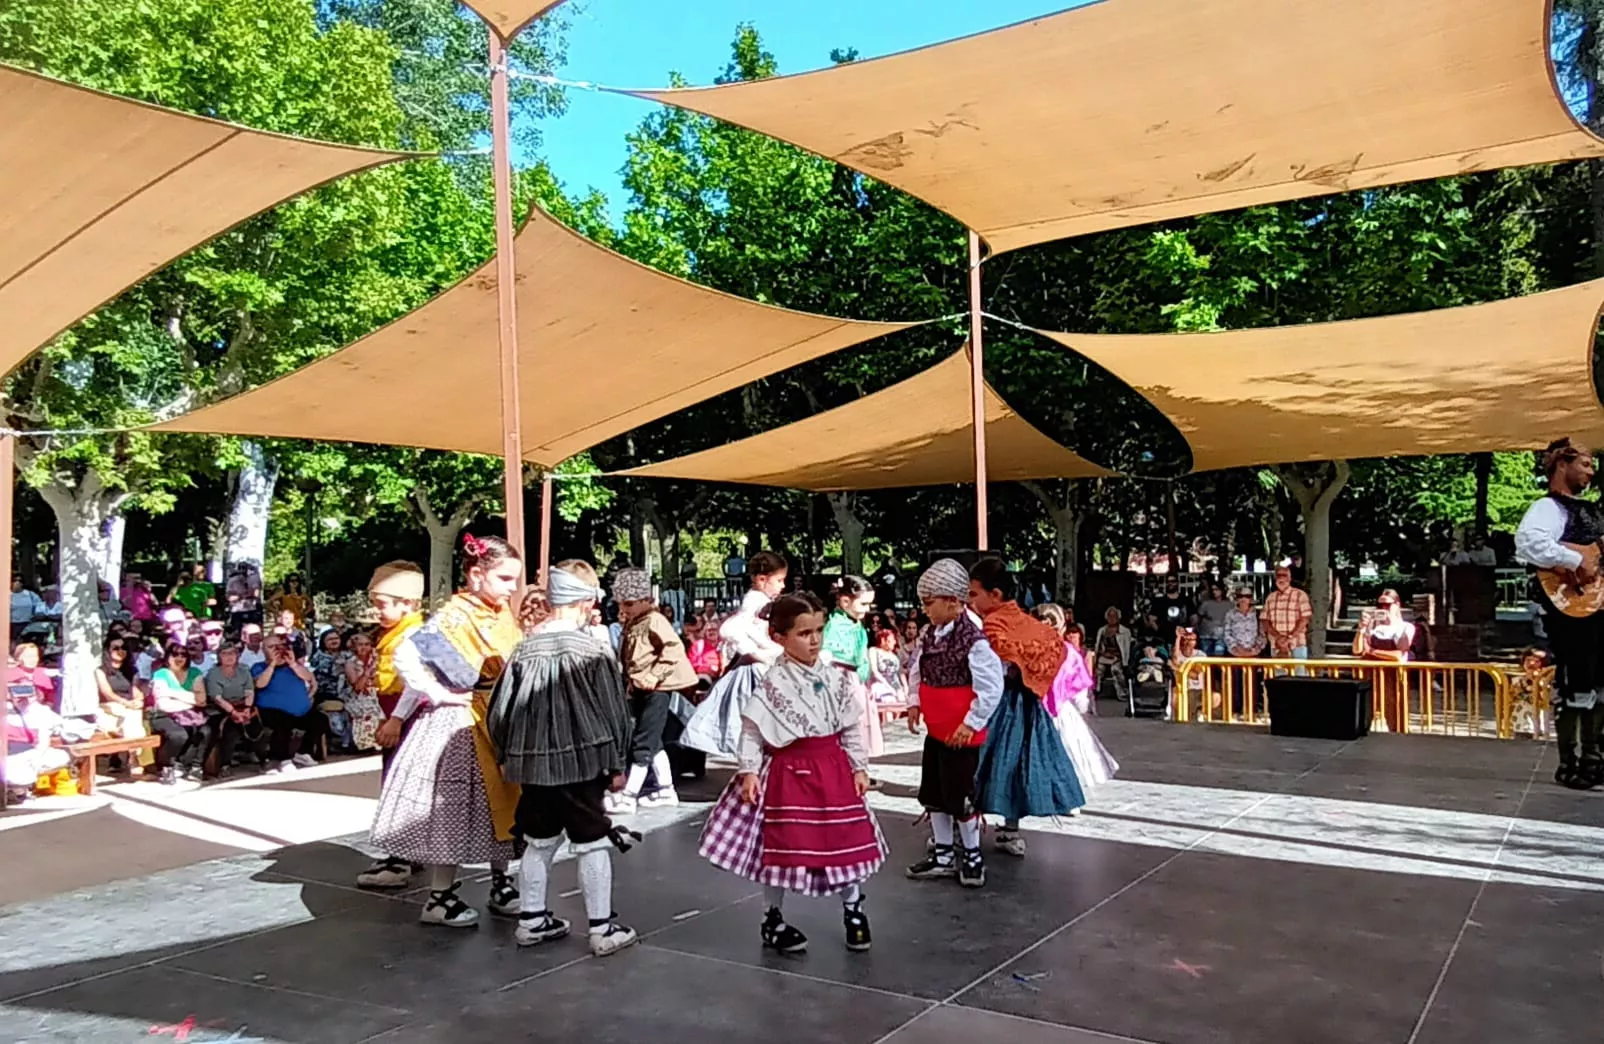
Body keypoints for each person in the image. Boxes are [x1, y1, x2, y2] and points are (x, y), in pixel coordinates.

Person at [698, 592, 884, 955]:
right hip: (788, 771)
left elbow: (849, 727)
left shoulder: (836, 678)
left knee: (843, 840)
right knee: (780, 845)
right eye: (804, 633)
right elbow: (752, 729)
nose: (814, 640)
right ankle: (773, 916)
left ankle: (854, 910)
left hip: (832, 769)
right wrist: (749, 771)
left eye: (818, 631)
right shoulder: (773, 682)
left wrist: (859, 765)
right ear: (779, 637)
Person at [369, 535, 524, 927]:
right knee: (455, 807)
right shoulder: (455, 615)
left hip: (494, 715)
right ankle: (440, 896)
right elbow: (409, 653)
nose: (512, 588)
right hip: (462, 721)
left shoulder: (499, 613)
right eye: (505, 578)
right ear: (476, 575)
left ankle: (501, 880)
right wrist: (437, 694)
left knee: (502, 801)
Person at [487, 560, 639, 957]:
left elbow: (499, 710)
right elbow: (614, 710)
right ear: (588, 601)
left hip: (533, 765)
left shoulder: (523, 650)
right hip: (583, 762)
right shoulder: (593, 649)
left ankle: (532, 921)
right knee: (592, 842)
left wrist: (505, 752)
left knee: (538, 841)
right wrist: (619, 761)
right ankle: (602, 929)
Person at [969, 558, 1085, 862]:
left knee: (984, 763)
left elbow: (1004, 662)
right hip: (1022, 703)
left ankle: (970, 832)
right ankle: (1003, 829)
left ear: (994, 595)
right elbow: (1051, 647)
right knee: (1007, 764)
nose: (971, 600)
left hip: (1001, 704)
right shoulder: (1021, 621)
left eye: (974, 594)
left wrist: (1021, 669)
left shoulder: (997, 623)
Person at [904, 559, 1003, 887]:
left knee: (961, 794)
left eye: (929, 603)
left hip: (961, 733)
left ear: (953, 601)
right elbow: (918, 668)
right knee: (934, 792)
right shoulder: (929, 635)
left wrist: (972, 722)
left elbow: (990, 686)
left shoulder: (973, 641)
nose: (925, 610)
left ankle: (972, 854)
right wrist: (915, 701)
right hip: (937, 729)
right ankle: (943, 853)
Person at [1514, 437, 1604, 789]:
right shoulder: (1549, 508)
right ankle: (1571, 762)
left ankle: (1594, 758)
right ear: (1562, 465)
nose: (1591, 471)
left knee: (1600, 683)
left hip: (1597, 607)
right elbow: (1529, 542)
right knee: (1576, 683)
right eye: (1584, 463)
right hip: (1570, 607)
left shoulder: (1593, 511)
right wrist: (1575, 559)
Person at [355, 561, 428, 891]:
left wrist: (397, 718)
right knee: (399, 782)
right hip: (396, 710)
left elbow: (414, 683)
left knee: (400, 784)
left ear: (408, 603)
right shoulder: (398, 632)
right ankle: (408, 852)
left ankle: (398, 859)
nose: (378, 610)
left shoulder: (412, 634)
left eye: (383, 604)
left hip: (406, 713)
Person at [608, 567, 697, 814]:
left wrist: (654, 675)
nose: (624, 609)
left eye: (629, 603)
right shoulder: (634, 623)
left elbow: (673, 648)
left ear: (646, 600)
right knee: (653, 739)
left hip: (656, 689)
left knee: (643, 743)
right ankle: (666, 789)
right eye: (621, 603)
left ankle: (629, 795)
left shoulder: (655, 621)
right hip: (639, 688)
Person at [683, 550, 788, 756]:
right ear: (761, 579)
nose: (782, 586)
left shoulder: (760, 601)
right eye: (779, 580)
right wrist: (758, 652)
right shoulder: (756, 601)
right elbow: (731, 630)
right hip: (757, 668)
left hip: (762, 663)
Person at [1036, 605, 1118, 802]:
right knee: (1069, 754)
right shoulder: (1069, 653)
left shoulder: (1034, 650)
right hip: (1062, 710)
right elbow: (1079, 689)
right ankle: (1069, 796)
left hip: (1039, 709)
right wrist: (1082, 709)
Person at [822, 575, 885, 760]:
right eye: (863, 604)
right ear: (845, 601)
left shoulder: (855, 623)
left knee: (859, 726)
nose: (867, 610)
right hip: (842, 679)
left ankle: (856, 768)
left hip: (857, 680)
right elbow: (828, 655)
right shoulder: (834, 625)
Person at [251, 633, 324, 773]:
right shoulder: (259, 666)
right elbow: (260, 684)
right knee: (282, 724)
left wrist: (292, 664)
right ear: (263, 649)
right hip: (272, 711)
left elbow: (308, 677)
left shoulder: (293, 666)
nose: (277, 649)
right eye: (272, 647)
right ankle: (282, 760)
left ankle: (303, 753)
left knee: (320, 720)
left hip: (300, 711)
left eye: (279, 646)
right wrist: (272, 663)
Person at [1354, 589, 1416, 733]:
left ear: (1397, 605)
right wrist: (1361, 629)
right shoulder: (1373, 627)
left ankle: (1399, 739)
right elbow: (1357, 650)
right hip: (1370, 674)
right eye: (1379, 605)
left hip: (1393, 676)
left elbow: (1399, 654)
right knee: (1365, 710)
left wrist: (1371, 652)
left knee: (1396, 714)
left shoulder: (1405, 627)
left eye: (1387, 605)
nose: (1383, 609)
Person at [149, 642, 211, 784]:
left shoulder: (195, 673)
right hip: (163, 715)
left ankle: (195, 766)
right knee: (179, 734)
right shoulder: (161, 674)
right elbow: (164, 704)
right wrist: (191, 698)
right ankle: (167, 766)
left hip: (191, 715)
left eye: (183, 654)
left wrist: (172, 693)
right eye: (175, 654)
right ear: (168, 657)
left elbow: (202, 700)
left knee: (205, 731)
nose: (179, 657)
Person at [5, 679, 70, 802]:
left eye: (27, 690)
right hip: (11, 753)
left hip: (34, 752)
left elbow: (48, 736)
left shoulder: (40, 711)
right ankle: (15, 790)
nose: (23, 696)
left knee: (62, 757)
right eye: (18, 691)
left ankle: (19, 789)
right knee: (13, 773)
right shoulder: (6, 710)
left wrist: (36, 758)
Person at [95, 637, 147, 744]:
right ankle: (134, 755)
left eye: (123, 648)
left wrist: (138, 700)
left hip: (128, 707)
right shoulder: (100, 671)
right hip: (109, 706)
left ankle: (133, 753)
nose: (120, 651)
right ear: (108, 650)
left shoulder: (131, 670)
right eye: (116, 648)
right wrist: (127, 703)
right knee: (132, 716)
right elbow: (107, 693)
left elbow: (135, 690)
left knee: (134, 713)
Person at [310, 628, 354, 752]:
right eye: (330, 639)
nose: (334, 641)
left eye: (336, 638)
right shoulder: (318, 657)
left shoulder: (348, 654)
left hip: (349, 692)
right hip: (327, 693)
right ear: (324, 642)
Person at [342, 630, 383, 752]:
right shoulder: (350, 663)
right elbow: (357, 687)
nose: (364, 647)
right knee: (369, 708)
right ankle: (366, 743)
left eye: (367, 644)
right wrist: (367, 672)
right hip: (357, 696)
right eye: (360, 644)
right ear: (354, 647)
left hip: (376, 692)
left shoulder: (377, 659)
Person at [1261, 566, 1313, 660]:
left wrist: (1289, 637)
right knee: (1279, 674)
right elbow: (1265, 620)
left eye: (1284, 575)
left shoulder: (1300, 595)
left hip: (1297, 644)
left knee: (1299, 673)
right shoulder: (1270, 597)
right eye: (1278, 575)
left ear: (1289, 578)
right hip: (1276, 645)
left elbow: (1305, 619)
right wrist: (1278, 638)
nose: (1281, 578)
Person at [1092, 607, 1133, 702]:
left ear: (1118, 618)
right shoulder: (1102, 630)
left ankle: (1122, 693)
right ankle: (1096, 691)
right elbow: (1098, 646)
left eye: (1114, 616)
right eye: (1110, 616)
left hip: (1118, 657)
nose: (1112, 619)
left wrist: (1119, 658)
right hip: (1105, 656)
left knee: (1116, 669)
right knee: (1099, 669)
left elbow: (1126, 649)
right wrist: (1103, 654)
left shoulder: (1125, 631)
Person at [7, 643, 56, 714]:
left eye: (35, 656)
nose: (32, 659)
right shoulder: (11, 673)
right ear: (19, 658)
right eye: (28, 656)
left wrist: (47, 706)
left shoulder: (42, 672)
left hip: (40, 710)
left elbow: (50, 695)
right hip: (15, 710)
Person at [866, 629, 906, 705]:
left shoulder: (894, 655)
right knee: (888, 699)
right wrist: (888, 687)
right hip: (880, 684)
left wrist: (906, 687)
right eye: (891, 640)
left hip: (896, 686)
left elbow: (901, 672)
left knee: (902, 701)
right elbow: (874, 671)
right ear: (883, 640)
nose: (894, 642)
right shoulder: (874, 650)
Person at [1195, 581, 1232, 657]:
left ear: (1222, 590)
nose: (1214, 592)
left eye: (1216, 589)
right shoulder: (1206, 604)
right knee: (1206, 658)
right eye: (1213, 590)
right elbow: (1198, 618)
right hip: (1206, 635)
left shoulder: (1230, 605)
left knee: (1218, 657)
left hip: (1221, 636)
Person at [684, 615, 723, 685]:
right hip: (704, 677)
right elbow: (692, 664)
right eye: (709, 630)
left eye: (714, 630)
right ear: (705, 632)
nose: (711, 632)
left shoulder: (723, 647)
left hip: (721, 678)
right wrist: (708, 668)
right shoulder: (698, 646)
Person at [225, 562, 264, 630]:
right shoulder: (233, 580)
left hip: (250, 610)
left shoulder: (253, 578)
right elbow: (229, 598)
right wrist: (242, 596)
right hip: (239, 610)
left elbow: (256, 594)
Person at [9, 579, 43, 643]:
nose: (13, 584)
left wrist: (36, 615)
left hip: (28, 623)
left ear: (21, 584)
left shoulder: (30, 594)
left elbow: (40, 605)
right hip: (12, 624)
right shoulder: (7, 595)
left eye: (16, 583)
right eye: (12, 582)